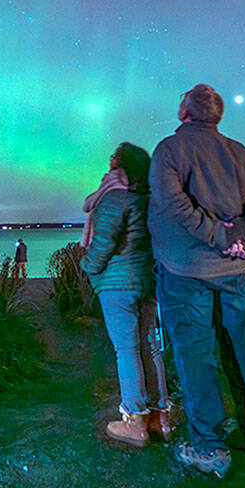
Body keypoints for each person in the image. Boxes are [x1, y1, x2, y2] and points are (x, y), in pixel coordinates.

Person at [147, 83, 245, 479]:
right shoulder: (241, 153)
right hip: (233, 272)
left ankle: (209, 447)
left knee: (197, 357)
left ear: (184, 112)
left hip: (186, 272)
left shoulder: (169, 150)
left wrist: (224, 237)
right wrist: (244, 238)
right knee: (240, 350)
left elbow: (173, 205)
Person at [80, 142, 173, 447]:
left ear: (118, 167)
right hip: (146, 282)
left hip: (118, 285)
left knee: (127, 350)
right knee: (151, 348)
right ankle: (161, 418)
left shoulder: (114, 200)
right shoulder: (152, 202)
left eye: (113, 163)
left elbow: (102, 245)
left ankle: (134, 422)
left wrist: (88, 267)